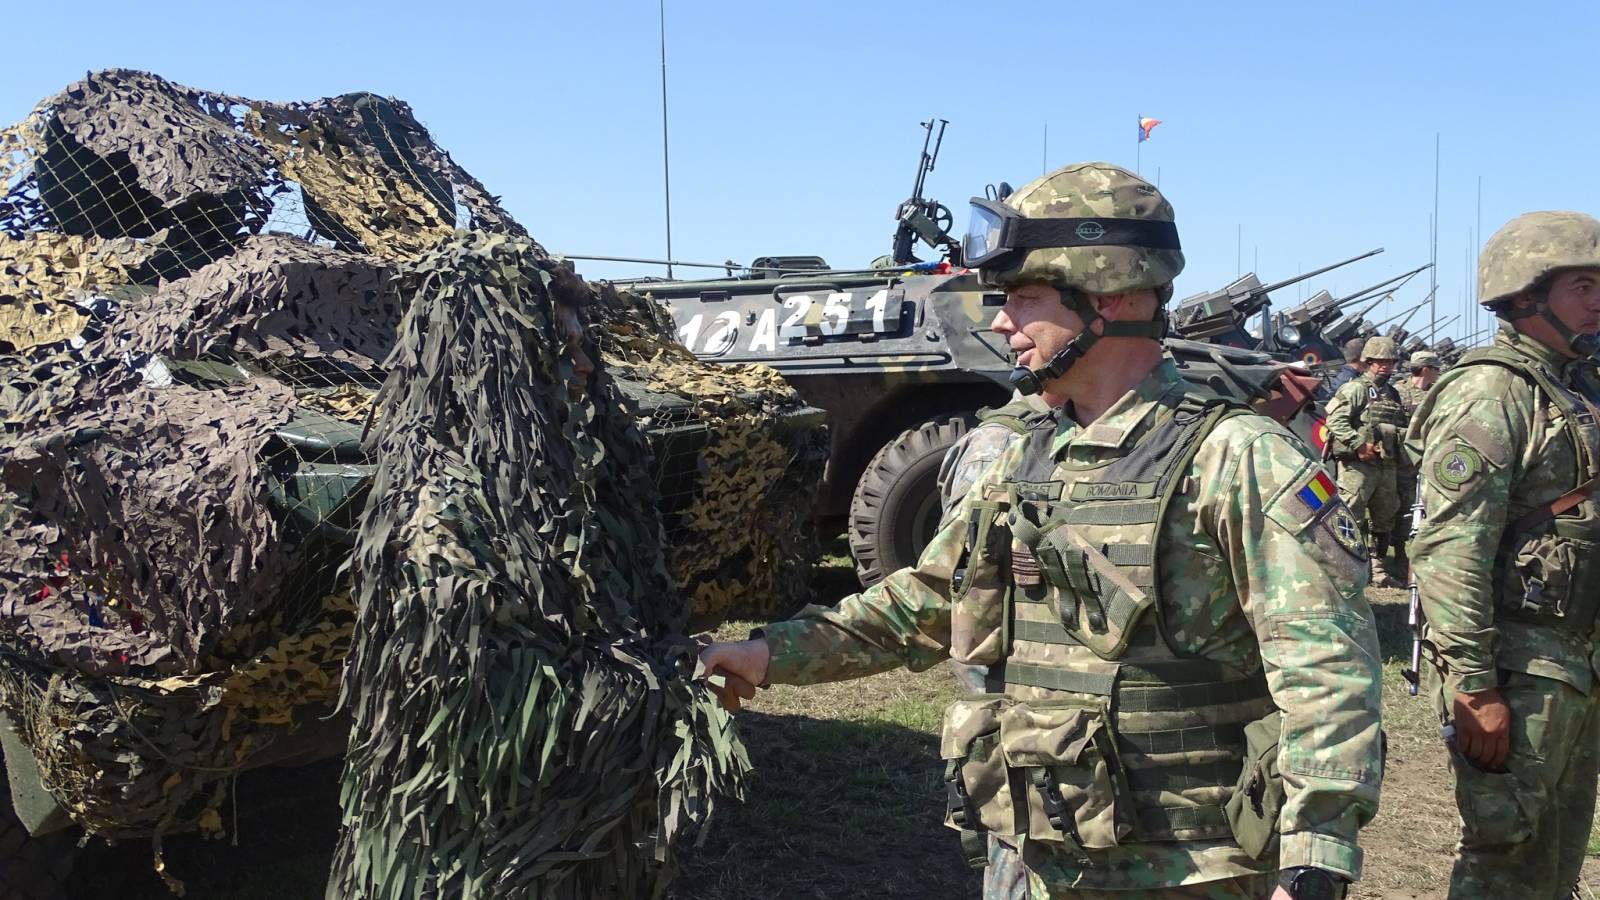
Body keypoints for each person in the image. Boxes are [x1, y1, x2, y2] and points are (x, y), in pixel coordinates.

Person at [701, 162, 1384, 900]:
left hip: (1191, 874)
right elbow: (927, 602)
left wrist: (1314, 861)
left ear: (1112, 297)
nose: (1001, 323)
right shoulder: (1023, 453)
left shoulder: (1236, 458)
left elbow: (1328, 669)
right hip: (1033, 861)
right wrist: (768, 654)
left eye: (1023, 299)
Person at [1407, 210, 1600, 900]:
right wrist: (1474, 684)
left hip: (1571, 664)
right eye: (1584, 285)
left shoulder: (1575, 386)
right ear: (1525, 294)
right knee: (1504, 865)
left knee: (1553, 862)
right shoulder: (1492, 391)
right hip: (1517, 671)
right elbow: (1451, 548)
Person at [1324, 336, 1406, 586]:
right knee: (1351, 515)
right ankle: (1347, 568)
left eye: (1389, 362)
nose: (1385, 366)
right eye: (1379, 361)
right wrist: (1358, 444)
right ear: (1368, 362)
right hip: (1358, 466)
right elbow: (1335, 420)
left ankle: (1378, 569)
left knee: (1385, 518)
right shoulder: (1355, 388)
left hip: (1386, 465)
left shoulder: (1392, 393)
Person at [1387, 350, 1441, 571]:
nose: (1439, 373)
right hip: (1402, 460)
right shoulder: (1399, 392)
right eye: (1436, 369)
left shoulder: (1437, 394)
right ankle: (1398, 554)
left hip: (1427, 460)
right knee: (1395, 507)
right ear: (1427, 369)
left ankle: (1413, 554)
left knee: (1419, 507)